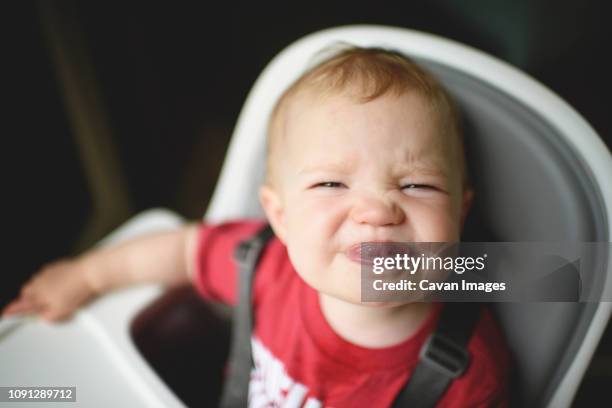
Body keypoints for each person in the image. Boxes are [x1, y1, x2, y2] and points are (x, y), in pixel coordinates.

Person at [2, 46, 510, 407]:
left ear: (461, 213)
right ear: (280, 216)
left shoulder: (466, 375)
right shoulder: (262, 264)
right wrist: (88, 276)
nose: (377, 212)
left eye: (418, 185)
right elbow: (182, 251)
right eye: (332, 184)